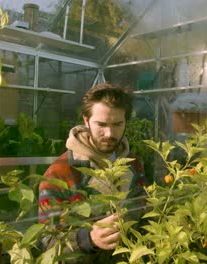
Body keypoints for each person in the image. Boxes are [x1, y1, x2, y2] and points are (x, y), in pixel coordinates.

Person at [38, 82, 147, 263]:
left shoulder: (134, 164)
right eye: (101, 124)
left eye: (118, 124)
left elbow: (144, 210)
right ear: (86, 120)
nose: (109, 133)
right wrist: (87, 239)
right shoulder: (60, 173)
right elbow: (46, 242)